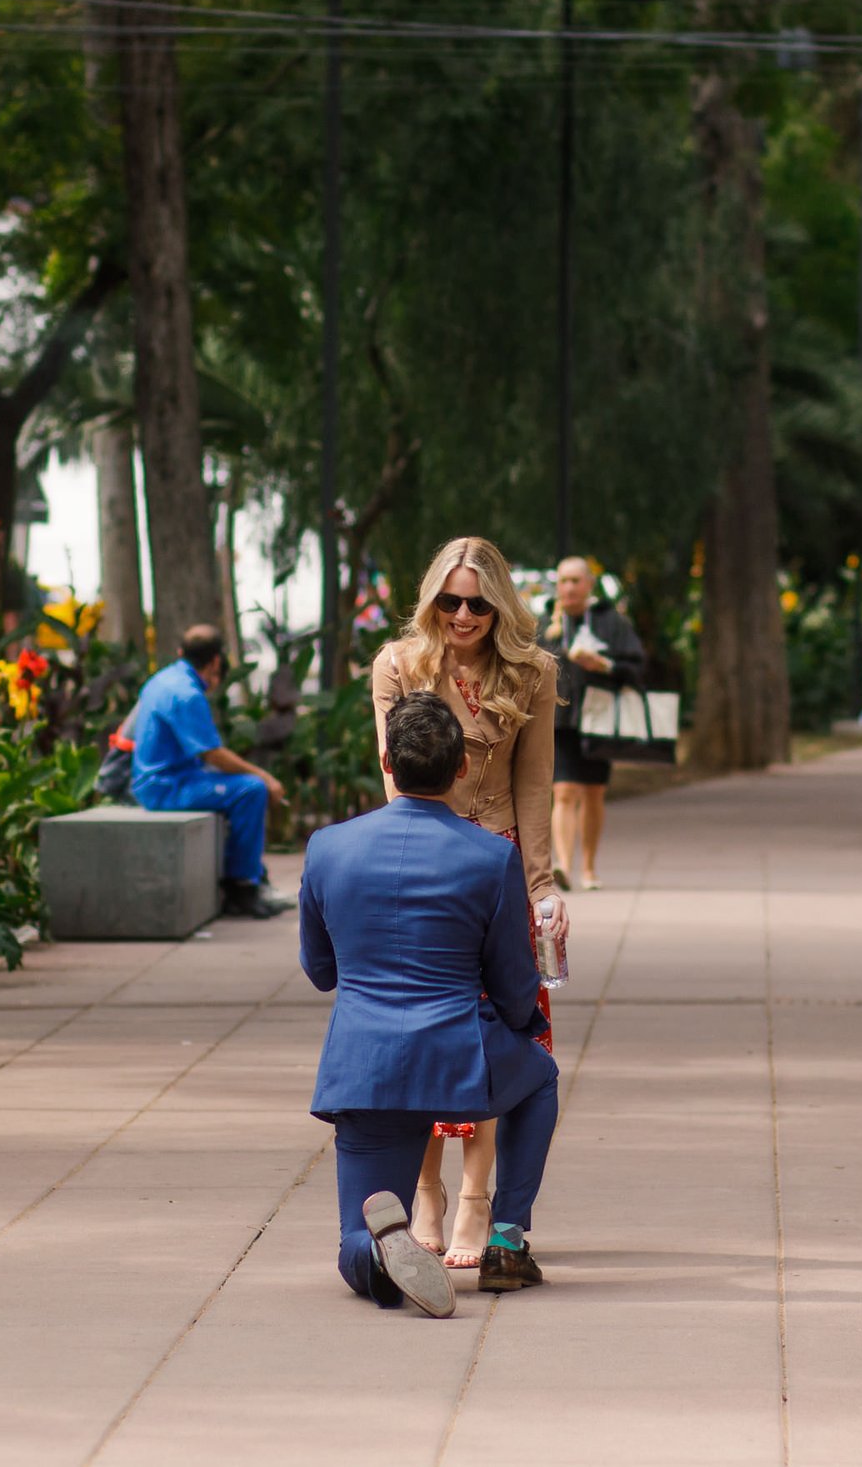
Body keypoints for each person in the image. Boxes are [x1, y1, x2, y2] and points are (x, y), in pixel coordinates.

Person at [302, 693, 559, 1311]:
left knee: (351, 1240)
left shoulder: (327, 847)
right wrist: (521, 1027)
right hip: (459, 1058)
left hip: (362, 1069)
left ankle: (380, 1251)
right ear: (462, 768)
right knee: (540, 1077)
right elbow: (511, 982)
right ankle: (505, 1239)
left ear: (387, 760)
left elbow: (319, 972)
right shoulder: (492, 855)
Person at [370, 536, 560, 1269]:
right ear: (431, 600)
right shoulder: (398, 664)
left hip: (502, 862)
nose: (463, 613)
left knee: (495, 1040)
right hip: (426, 861)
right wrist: (410, 861)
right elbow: (396, 775)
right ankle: (427, 1192)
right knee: (424, 1036)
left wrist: (539, 884)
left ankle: (477, 1201)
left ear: (500, 605)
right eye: (450, 600)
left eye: (479, 602)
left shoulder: (532, 672)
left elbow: (537, 782)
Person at [130, 623, 291, 920]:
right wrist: (265, 777)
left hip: (162, 779)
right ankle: (241, 887)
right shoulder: (187, 693)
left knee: (241, 786)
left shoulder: (163, 679)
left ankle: (254, 874)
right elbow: (212, 753)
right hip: (166, 787)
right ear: (216, 661)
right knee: (250, 790)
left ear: (182, 652)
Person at [542, 556, 647, 892]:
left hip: (599, 718)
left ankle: (588, 867)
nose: (568, 587)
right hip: (559, 721)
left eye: (575, 580)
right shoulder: (545, 623)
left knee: (593, 792)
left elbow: (636, 666)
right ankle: (562, 864)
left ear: (589, 584)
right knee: (563, 790)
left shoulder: (611, 622)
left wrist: (603, 665)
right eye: (563, 581)